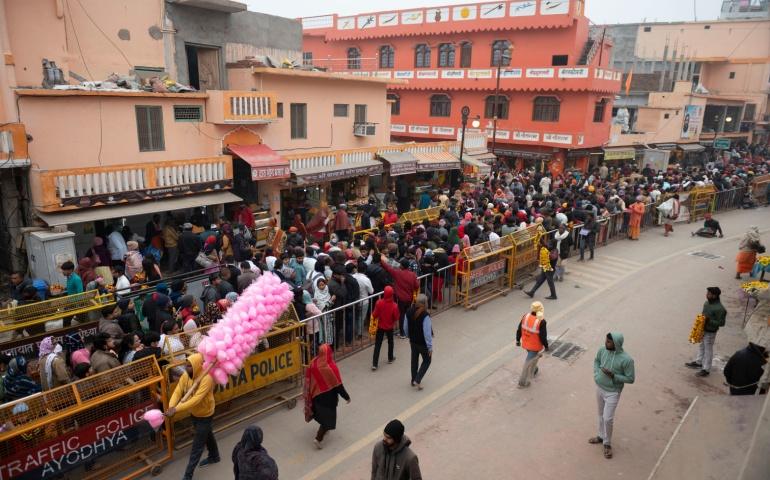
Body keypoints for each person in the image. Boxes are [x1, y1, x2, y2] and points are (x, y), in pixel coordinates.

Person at [166, 353, 220, 480]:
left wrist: (177, 409)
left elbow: (196, 399)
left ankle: (187, 475)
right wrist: (171, 406)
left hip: (206, 414)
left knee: (197, 445)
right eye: (186, 365)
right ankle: (215, 456)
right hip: (194, 413)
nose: (186, 368)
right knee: (207, 434)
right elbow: (178, 391)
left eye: (189, 366)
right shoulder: (185, 376)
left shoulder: (207, 378)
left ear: (196, 366)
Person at [590, 333, 635, 459]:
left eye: (609, 342)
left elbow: (631, 379)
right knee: (600, 414)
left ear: (616, 344)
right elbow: (596, 361)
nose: (606, 343)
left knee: (607, 418)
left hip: (613, 392)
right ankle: (600, 436)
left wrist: (614, 376)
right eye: (606, 340)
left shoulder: (627, 360)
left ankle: (607, 443)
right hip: (600, 388)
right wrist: (596, 373)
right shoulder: (602, 350)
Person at [304, 344, 351, 449]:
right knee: (328, 420)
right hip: (329, 400)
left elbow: (309, 380)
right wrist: (347, 397)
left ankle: (323, 430)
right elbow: (338, 385)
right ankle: (318, 438)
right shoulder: (330, 367)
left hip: (316, 396)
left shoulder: (313, 363)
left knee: (320, 415)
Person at [686, 287, 727, 377]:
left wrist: (709, 321)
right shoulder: (706, 303)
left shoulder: (720, 309)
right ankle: (699, 362)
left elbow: (721, 323)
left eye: (709, 294)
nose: (707, 295)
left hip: (711, 332)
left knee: (708, 349)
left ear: (714, 296)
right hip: (703, 329)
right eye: (707, 293)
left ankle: (706, 369)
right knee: (701, 346)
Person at [380, 255, 419, 338]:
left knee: (402, 315)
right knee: (407, 314)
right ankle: (408, 331)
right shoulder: (412, 275)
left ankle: (402, 333)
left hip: (400, 299)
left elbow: (388, 268)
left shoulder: (397, 273)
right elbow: (417, 286)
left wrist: (381, 261)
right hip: (409, 298)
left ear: (401, 265)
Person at [515, 301, 549, 388]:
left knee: (533, 357)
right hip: (534, 346)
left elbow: (519, 329)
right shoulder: (541, 321)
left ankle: (534, 369)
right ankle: (522, 382)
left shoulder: (525, 316)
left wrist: (518, 340)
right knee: (527, 363)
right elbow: (543, 337)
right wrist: (546, 346)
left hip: (526, 343)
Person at [404, 294, 433, 390]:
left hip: (413, 341)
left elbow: (405, 327)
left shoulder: (408, 311)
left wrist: (409, 336)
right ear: (424, 303)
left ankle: (413, 380)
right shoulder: (425, 315)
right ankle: (418, 379)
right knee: (427, 360)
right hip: (422, 343)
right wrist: (430, 347)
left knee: (414, 360)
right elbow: (427, 333)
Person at [371, 286, 399, 371]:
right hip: (390, 327)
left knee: (378, 345)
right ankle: (390, 358)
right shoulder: (394, 305)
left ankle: (374, 364)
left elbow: (374, 315)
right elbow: (396, 317)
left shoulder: (379, 303)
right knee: (391, 342)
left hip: (380, 326)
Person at [525, 236, 557, 300]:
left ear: (553, 245)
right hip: (545, 268)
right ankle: (532, 292)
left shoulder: (555, 251)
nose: (548, 244)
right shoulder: (549, 248)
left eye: (550, 243)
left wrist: (547, 252)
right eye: (549, 243)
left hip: (550, 270)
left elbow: (553, 257)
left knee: (550, 283)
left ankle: (554, 295)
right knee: (539, 281)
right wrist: (539, 237)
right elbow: (544, 243)